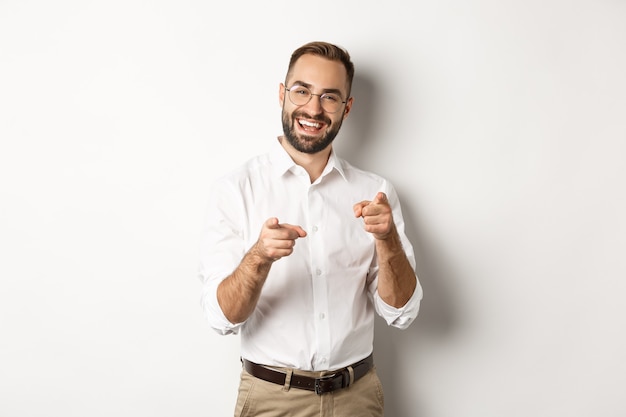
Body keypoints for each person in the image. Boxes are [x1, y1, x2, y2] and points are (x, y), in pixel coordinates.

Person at [198, 40, 423, 417]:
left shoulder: (376, 193)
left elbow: (402, 313)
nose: (313, 109)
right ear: (283, 94)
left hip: (357, 397)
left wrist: (388, 241)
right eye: (302, 91)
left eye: (330, 97)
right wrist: (258, 258)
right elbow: (221, 319)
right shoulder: (236, 189)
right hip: (272, 399)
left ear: (346, 108)